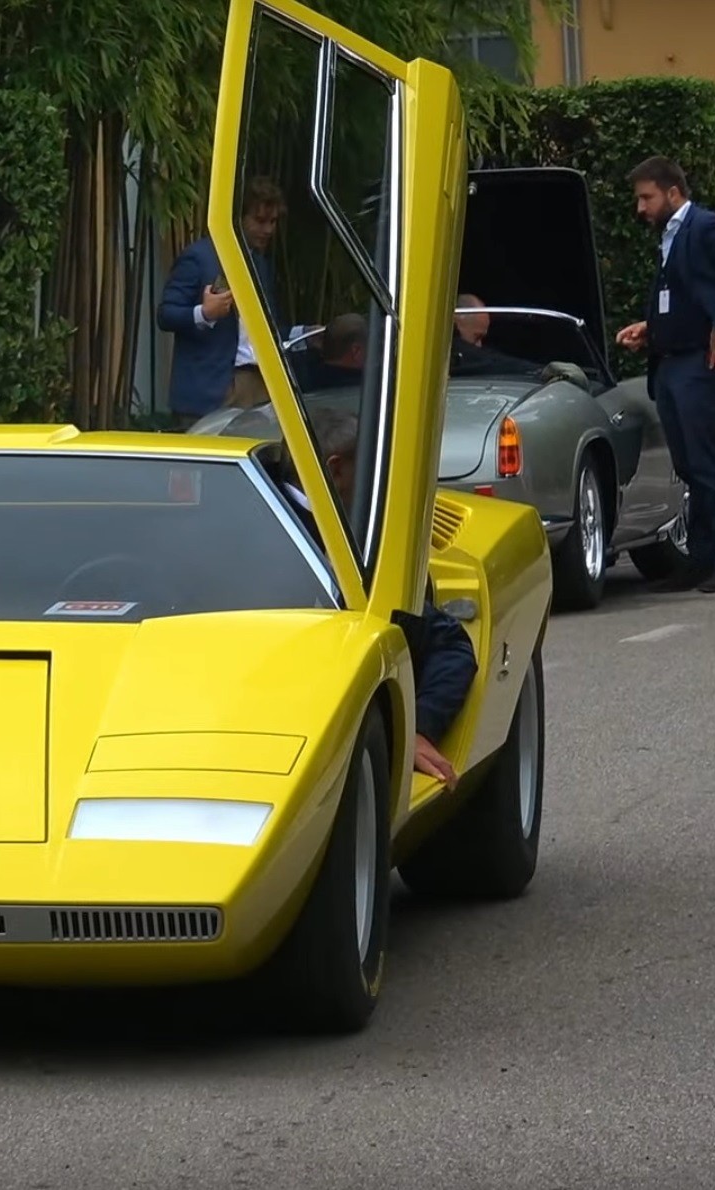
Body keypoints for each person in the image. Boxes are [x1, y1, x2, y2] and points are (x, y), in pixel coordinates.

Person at [280, 405, 476, 785]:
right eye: (368, 470)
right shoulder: (343, 549)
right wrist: (418, 730)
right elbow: (451, 644)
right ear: (336, 470)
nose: (377, 485)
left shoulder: (241, 521)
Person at [612, 156, 715, 593]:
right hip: (672, 361)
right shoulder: (671, 234)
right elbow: (685, 294)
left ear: (673, 193)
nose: (640, 207)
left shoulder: (704, 226)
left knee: (708, 463)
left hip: (702, 364)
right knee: (688, 466)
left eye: (646, 197)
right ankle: (701, 561)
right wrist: (652, 328)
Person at [157, 176, 293, 422]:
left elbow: (266, 326)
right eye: (260, 221)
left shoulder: (260, 263)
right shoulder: (199, 257)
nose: (268, 230)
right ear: (237, 218)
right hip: (213, 388)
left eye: (273, 222)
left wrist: (303, 335)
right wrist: (204, 313)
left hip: (259, 384)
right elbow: (166, 314)